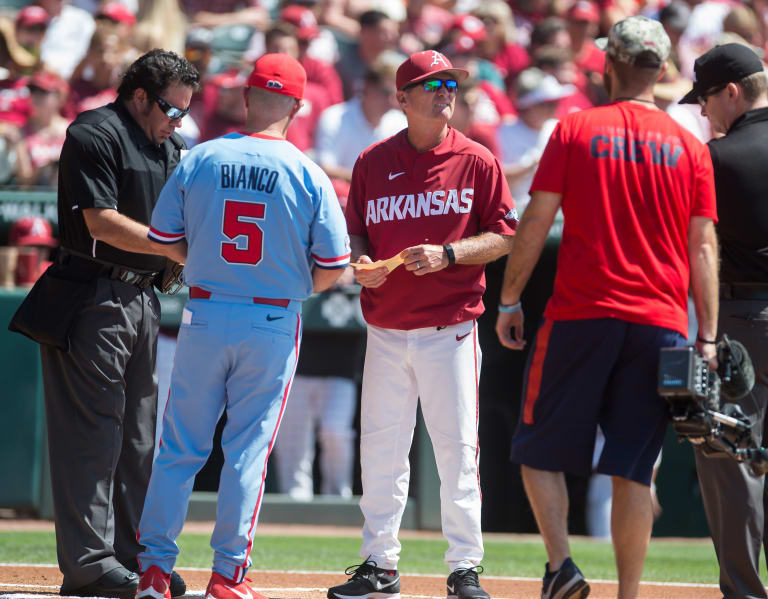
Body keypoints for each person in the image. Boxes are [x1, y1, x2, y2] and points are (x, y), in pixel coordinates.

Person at [495, 16, 719, 599]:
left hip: (580, 315)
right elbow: (703, 247)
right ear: (663, 70)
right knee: (633, 469)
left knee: (536, 448)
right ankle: (627, 595)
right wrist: (710, 337)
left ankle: (562, 564)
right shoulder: (691, 147)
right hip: (661, 323)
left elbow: (536, 220)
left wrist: (510, 298)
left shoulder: (574, 129)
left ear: (609, 64)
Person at [134, 53, 350, 599]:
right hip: (272, 317)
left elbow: (162, 242)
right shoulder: (308, 171)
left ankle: (154, 569)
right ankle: (227, 575)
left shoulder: (201, 156)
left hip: (205, 310)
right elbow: (332, 272)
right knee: (248, 450)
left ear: (248, 98)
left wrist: (207, 256)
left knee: (179, 446)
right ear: (297, 107)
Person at [327, 49, 517, 599]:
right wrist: (360, 262)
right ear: (402, 98)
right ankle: (379, 564)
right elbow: (357, 230)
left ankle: (464, 568)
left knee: (457, 452)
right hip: (384, 328)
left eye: (449, 84)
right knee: (381, 452)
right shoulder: (370, 161)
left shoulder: (477, 160)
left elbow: (505, 236)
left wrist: (450, 255)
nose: (444, 92)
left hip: (450, 328)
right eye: (430, 84)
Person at [37, 49, 198, 599]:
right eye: (170, 110)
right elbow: (100, 223)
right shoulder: (95, 133)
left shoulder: (172, 148)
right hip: (92, 292)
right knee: (94, 435)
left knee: (136, 438)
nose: (176, 122)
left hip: (144, 297)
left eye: (182, 113)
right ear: (138, 96)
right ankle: (88, 565)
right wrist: (177, 250)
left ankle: (134, 556)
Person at [678, 42, 768, 599]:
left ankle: (743, 592)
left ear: (731, 92)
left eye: (706, 100)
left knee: (730, 458)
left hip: (739, 318)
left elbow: (687, 246)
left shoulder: (713, 157)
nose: (703, 112)